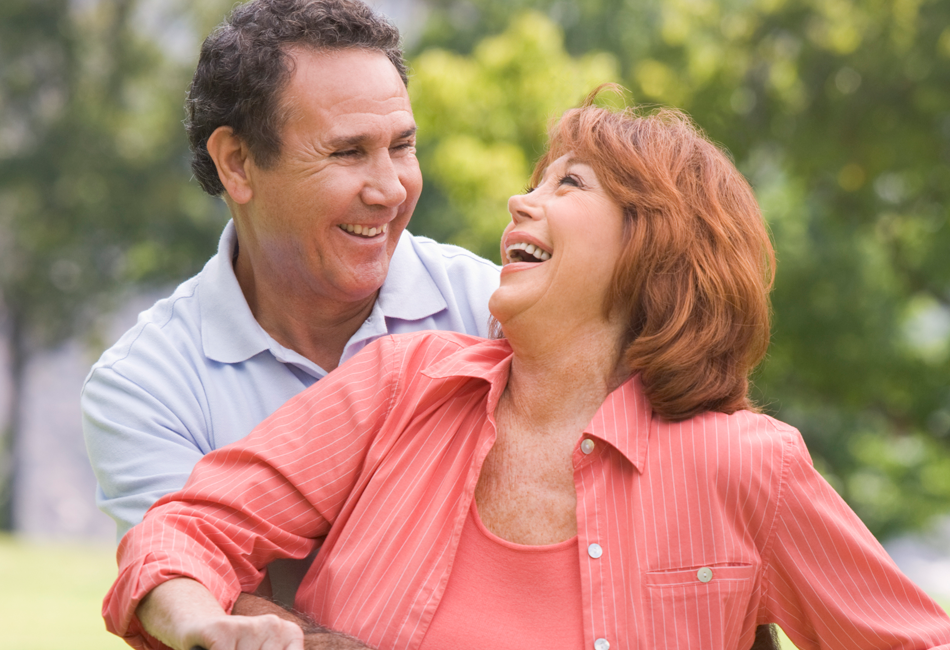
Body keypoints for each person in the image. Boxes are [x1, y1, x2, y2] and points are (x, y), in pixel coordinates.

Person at [102, 93, 950, 650]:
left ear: (654, 248)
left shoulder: (746, 465)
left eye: (569, 184)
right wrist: (202, 624)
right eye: (536, 181)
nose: (520, 201)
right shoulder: (400, 383)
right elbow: (184, 530)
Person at [81, 0, 498, 547]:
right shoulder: (147, 387)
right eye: (347, 152)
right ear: (237, 162)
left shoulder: (492, 309)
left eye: (402, 146)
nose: (391, 190)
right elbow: (204, 598)